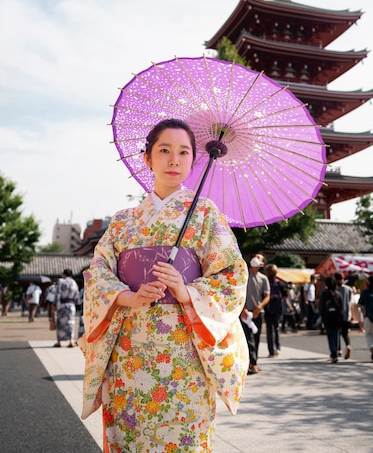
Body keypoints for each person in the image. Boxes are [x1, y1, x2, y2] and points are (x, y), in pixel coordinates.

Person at [80, 119, 249, 452]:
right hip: (130, 349)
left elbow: (231, 275)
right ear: (147, 158)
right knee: (131, 435)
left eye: (184, 152)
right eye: (165, 150)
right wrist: (128, 296)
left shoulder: (205, 214)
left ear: (193, 160)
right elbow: (98, 272)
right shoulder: (123, 220)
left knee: (182, 437)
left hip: (183, 351)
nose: (174, 160)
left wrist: (186, 291)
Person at [241, 253, 270, 374]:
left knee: (256, 339)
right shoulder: (243, 275)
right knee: (247, 339)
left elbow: (267, 296)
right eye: (255, 256)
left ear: (262, 264)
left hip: (258, 312)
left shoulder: (263, 278)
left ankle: (254, 363)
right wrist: (242, 308)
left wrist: (259, 307)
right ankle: (249, 364)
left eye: (259, 258)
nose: (255, 258)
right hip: (245, 312)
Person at [319, 276, 343, 363]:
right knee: (336, 335)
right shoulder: (338, 294)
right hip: (336, 316)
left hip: (327, 316)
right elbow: (341, 307)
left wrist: (321, 316)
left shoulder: (324, 294)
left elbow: (321, 306)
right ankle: (336, 351)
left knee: (330, 335)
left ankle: (333, 353)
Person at [53, 269, 80, 348]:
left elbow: (58, 294)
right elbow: (76, 295)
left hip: (62, 304)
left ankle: (59, 342)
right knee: (70, 322)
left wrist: (55, 304)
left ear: (64, 274)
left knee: (60, 322)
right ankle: (71, 340)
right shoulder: (74, 283)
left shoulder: (62, 282)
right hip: (71, 305)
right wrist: (77, 304)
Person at [263, 264, 283, 357]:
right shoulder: (278, 282)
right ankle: (278, 347)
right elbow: (284, 293)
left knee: (269, 330)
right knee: (277, 328)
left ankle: (271, 351)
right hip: (277, 307)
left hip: (268, 308)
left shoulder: (265, 281)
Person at [334, 272, 353, 359]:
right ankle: (348, 345)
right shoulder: (349, 289)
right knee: (345, 333)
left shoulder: (335, 290)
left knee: (337, 332)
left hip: (337, 314)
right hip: (347, 314)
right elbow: (351, 302)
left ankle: (339, 350)